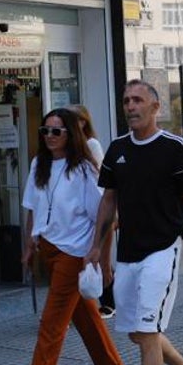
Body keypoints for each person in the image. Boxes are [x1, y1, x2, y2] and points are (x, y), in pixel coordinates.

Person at [85, 80, 183, 365]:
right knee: (141, 333)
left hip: (163, 249)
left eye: (138, 100)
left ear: (156, 107)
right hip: (128, 252)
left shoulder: (175, 148)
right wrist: (97, 247)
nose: (130, 106)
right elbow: (109, 199)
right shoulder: (118, 149)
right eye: (126, 100)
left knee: (149, 331)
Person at [1, 109, 125, 365]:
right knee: (86, 318)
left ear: (71, 133)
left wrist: (101, 254)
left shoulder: (83, 169)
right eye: (45, 131)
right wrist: (30, 243)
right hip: (49, 249)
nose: (50, 137)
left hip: (75, 253)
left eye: (57, 131)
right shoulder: (38, 164)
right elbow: (32, 206)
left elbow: (105, 215)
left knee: (52, 324)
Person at [72, 104, 116, 319]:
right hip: (81, 212)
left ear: (84, 122)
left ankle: (109, 302)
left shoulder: (91, 144)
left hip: (98, 209)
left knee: (102, 258)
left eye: (76, 119)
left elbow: (100, 176)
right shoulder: (69, 146)